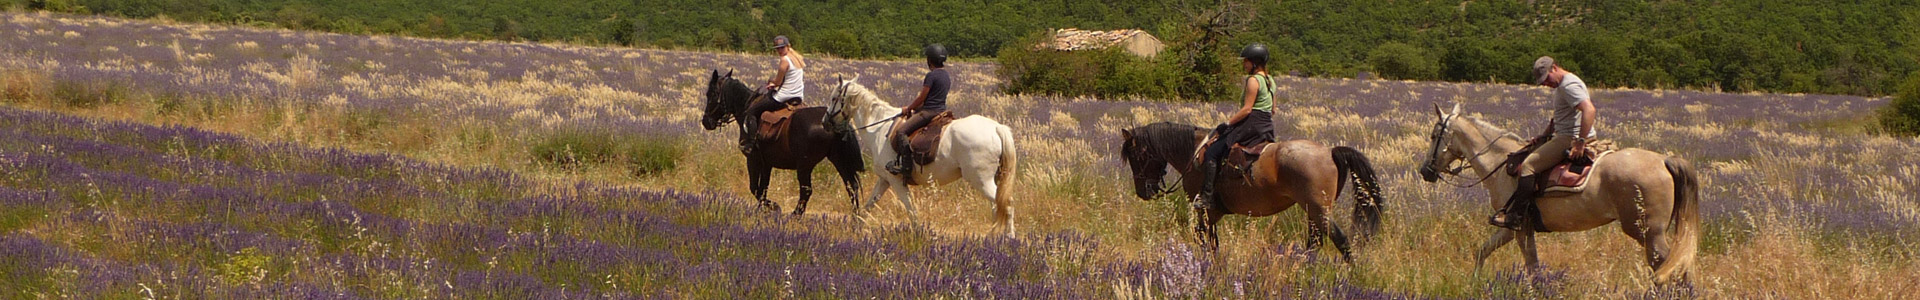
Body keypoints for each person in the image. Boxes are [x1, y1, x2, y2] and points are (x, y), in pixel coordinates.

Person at [1489, 56, 1598, 230]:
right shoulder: (1564, 85)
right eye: (1543, 82)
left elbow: (1589, 109)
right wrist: (1544, 135)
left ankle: (1516, 217)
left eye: (1547, 78)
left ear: (1554, 68)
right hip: (1563, 134)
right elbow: (1560, 117)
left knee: (1528, 166)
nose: (1546, 84)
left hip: (1568, 138)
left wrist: (1580, 142)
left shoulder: (1568, 86)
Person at [1196, 43, 1279, 206]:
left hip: (1250, 124)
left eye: (1246, 61)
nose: (1244, 64)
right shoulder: (1270, 81)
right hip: (1266, 126)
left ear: (1254, 62)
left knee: (1212, 152)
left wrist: (1227, 123)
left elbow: (1247, 109)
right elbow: (1273, 109)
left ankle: (1207, 197)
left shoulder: (1253, 80)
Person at [886, 44, 953, 175]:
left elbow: (922, 97)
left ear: (930, 60)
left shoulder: (931, 75)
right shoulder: (946, 75)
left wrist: (909, 108)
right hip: (941, 110)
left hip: (929, 111)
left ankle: (906, 167)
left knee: (901, 131)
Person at [741, 35, 807, 153]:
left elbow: (778, 81)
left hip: (783, 96)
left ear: (787, 46)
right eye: (777, 48)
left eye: (781, 48)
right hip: (798, 95)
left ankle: (751, 143)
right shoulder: (797, 58)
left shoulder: (784, 60)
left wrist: (772, 83)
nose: (779, 51)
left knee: (752, 111)